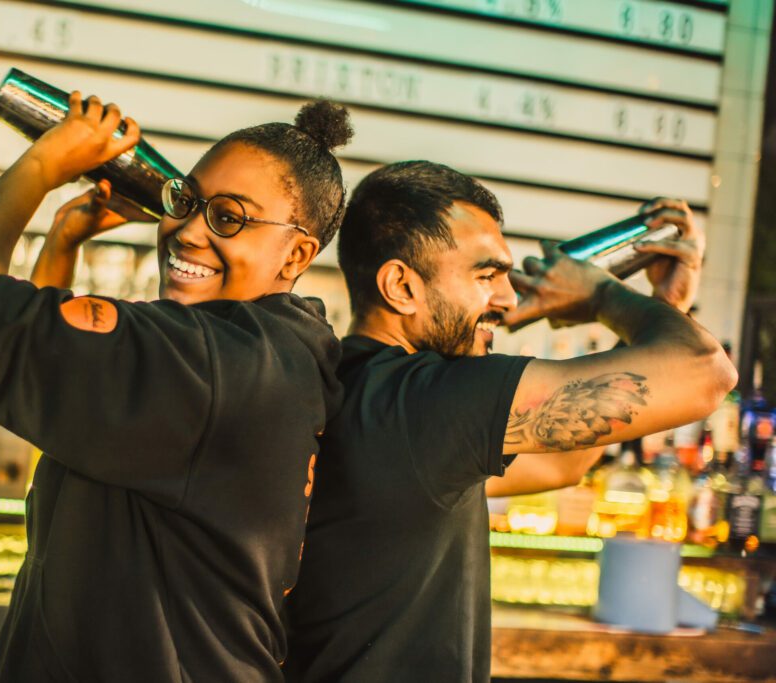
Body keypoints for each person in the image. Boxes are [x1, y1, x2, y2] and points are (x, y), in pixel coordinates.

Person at [0, 93, 352, 681]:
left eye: (229, 217)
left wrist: (41, 166)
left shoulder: (211, 359)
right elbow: (53, 386)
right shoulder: (272, 352)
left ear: (296, 253)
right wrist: (64, 240)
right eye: (186, 201)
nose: (188, 232)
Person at [283, 161, 735, 682]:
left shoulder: (360, 388)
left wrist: (668, 299)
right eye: (486, 275)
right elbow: (706, 372)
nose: (508, 298)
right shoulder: (428, 400)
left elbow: (563, 463)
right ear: (401, 287)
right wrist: (602, 295)